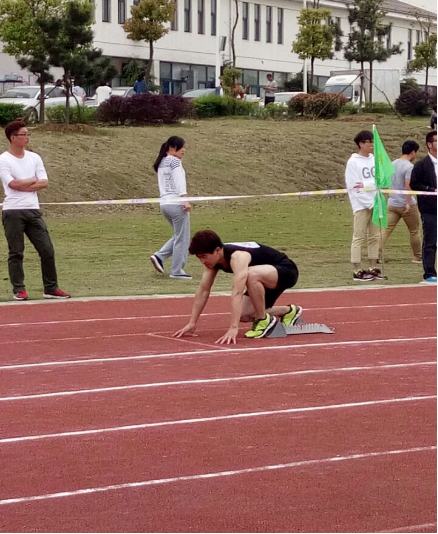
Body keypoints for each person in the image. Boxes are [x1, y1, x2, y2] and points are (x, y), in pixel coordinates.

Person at [174, 231, 302, 345]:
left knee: (250, 274)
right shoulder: (214, 261)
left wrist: (233, 328)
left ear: (217, 250)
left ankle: (262, 320)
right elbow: (203, 290)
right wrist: (192, 322)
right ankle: (288, 311)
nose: (202, 261)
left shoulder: (238, 257)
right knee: (243, 315)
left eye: (204, 256)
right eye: (199, 258)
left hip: (286, 271)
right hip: (261, 280)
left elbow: (237, 292)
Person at [0, 121, 71, 301]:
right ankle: (19, 289)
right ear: (13, 137)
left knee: (47, 249)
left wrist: (25, 184)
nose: (27, 137)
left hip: (33, 210)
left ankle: (51, 288)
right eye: (23, 134)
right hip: (13, 211)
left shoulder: (34, 158)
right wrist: (32, 180)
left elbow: (44, 182)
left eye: (28, 134)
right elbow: (12, 184)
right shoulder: (4, 159)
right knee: (16, 252)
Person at [345, 130, 386, 282]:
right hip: (361, 205)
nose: (372, 145)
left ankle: (373, 267)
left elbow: (380, 181)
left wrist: (368, 185)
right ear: (361, 144)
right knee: (359, 237)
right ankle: (357, 269)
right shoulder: (353, 162)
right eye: (369, 142)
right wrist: (368, 202)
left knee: (374, 237)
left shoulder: (374, 159)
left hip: (376, 202)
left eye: (373, 141)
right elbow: (355, 186)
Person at [150, 136, 192, 281]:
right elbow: (179, 181)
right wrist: (184, 200)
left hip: (165, 204)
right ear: (172, 148)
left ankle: (159, 257)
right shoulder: (174, 161)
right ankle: (177, 270)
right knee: (182, 238)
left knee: (179, 235)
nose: (183, 150)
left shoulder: (162, 162)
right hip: (176, 204)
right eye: (181, 147)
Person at [380, 140, 422, 265]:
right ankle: (417, 256)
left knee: (385, 230)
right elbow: (408, 186)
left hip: (392, 203)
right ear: (413, 152)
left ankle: (375, 254)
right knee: (414, 231)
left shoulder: (392, 163)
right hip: (406, 203)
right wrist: (408, 203)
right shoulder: (409, 167)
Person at [411, 130, 438, 285]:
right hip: (429, 209)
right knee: (430, 240)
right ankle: (429, 272)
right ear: (429, 144)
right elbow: (414, 184)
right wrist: (431, 190)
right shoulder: (421, 165)